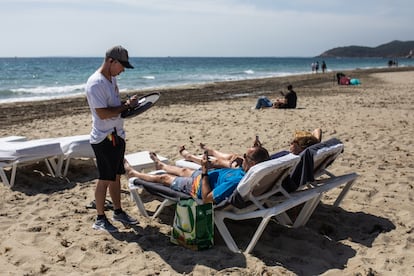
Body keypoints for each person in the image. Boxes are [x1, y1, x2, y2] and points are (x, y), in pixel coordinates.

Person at [86, 45, 139, 232]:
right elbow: (102, 113)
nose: (123, 69)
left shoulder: (111, 79)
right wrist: (124, 107)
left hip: (117, 135)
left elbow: (114, 107)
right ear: (111, 61)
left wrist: (128, 105)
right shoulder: (96, 83)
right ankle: (100, 218)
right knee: (105, 178)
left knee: (116, 176)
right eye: (121, 65)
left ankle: (118, 211)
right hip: (104, 138)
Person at [125, 146, 270, 204]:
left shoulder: (236, 182)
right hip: (208, 176)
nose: (243, 158)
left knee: (164, 178)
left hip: (199, 187)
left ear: (252, 164)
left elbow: (207, 199)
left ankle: (134, 173)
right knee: (183, 171)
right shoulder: (250, 172)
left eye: (246, 157)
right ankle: (161, 165)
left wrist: (205, 173)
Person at [179, 129, 322, 169]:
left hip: (255, 170)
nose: (290, 143)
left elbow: (264, 166)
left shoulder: (290, 158)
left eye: (293, 142)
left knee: (218, 162)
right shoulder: (300, 157)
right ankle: (210, 150)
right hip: (261, 166)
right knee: (233, 156)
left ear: (301, 146)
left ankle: (190, 156)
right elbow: (318, 130)